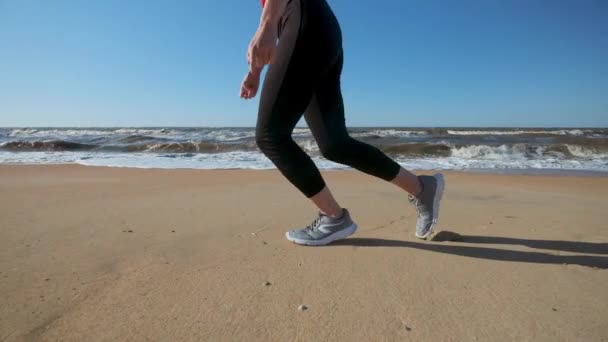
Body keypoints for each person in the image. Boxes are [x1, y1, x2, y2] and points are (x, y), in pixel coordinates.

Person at [240, 0, 444, 246]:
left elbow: (274, 13)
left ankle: (333, 217)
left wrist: (268, 24)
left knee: (271, 136)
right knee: (334, 143)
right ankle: (422, 188)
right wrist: (255, 71)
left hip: (303, 21)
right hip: (318, 28)